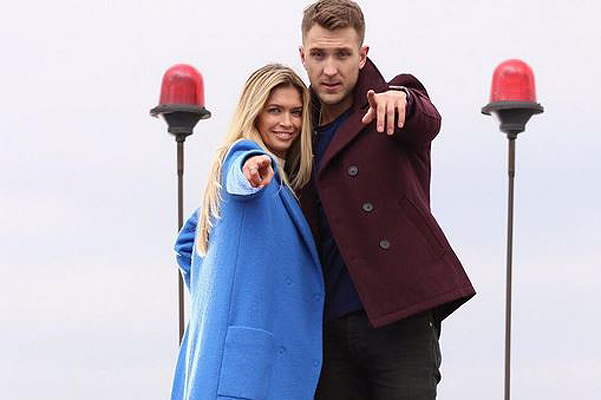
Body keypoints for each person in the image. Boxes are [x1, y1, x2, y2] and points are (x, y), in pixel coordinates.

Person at [297, 1, 476, 399]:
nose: (330, 70)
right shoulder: (296, 128)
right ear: (303, 57)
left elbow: (426, 117)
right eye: (319, 55)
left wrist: (402, 99)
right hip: (327, 329)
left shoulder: (390, 104)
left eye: (343, 55)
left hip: (400, 317)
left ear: (362, 56)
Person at [169, 64, 324, 400]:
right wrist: (250, 169)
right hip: (243, 376)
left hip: (255, 372)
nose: (287, 122)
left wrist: (221, 289)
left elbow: (186, 243)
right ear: (254, 113)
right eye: (275, 111)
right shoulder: (246, 159)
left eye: (296, 112)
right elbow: (240, 170)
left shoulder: (282, 183)